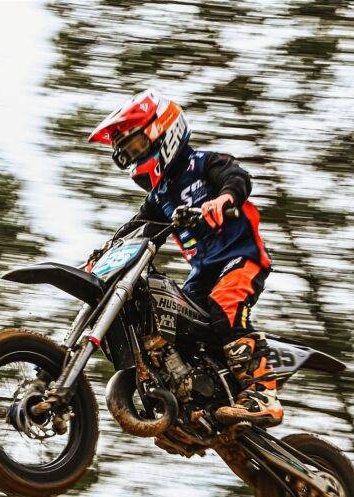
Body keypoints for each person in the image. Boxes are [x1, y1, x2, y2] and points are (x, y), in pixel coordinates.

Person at [87, 89, 282, 426]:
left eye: (136, 146)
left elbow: (236, 177)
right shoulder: (159, 196)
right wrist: (105, 252)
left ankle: (263, 394)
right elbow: (137, 228)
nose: (134, 157)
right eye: (127, 153)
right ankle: (196, 395)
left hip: (240, 258)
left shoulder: (203, 163)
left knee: (225, 307)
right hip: (203, 272)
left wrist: (223, 199)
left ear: (165, 130)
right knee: (174, 322)